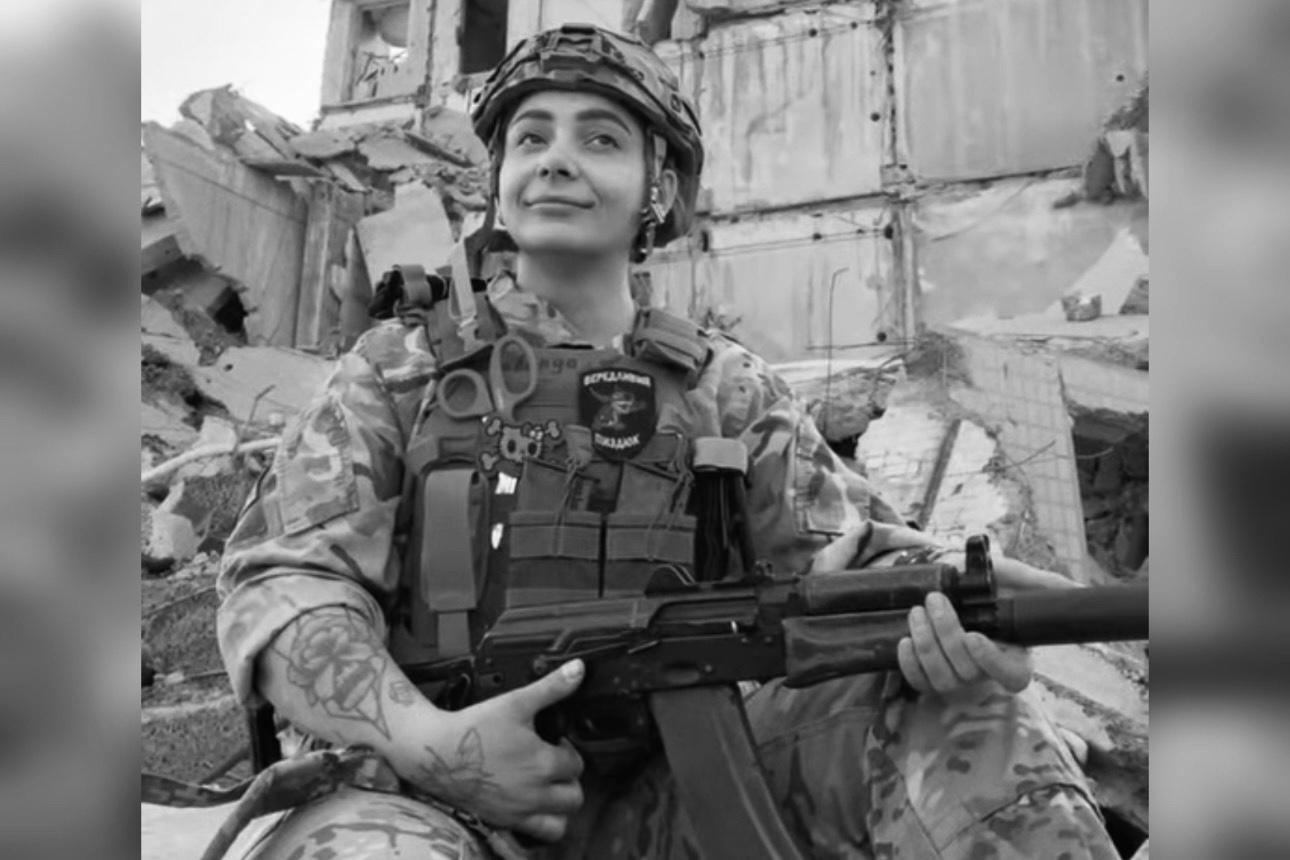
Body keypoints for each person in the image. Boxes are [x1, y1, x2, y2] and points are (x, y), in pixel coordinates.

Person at [216, 23, 1116, 860]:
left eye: (601, 139)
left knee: (968, 712)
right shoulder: (399, 371)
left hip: (671, 801)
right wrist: (434, 745)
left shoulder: (725, 389)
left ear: (661, 189)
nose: (556, 159)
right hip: (428, 797)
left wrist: (956, 608)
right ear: (499, 178)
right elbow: (286, 588)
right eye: (531, 138)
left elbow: (846, 559)